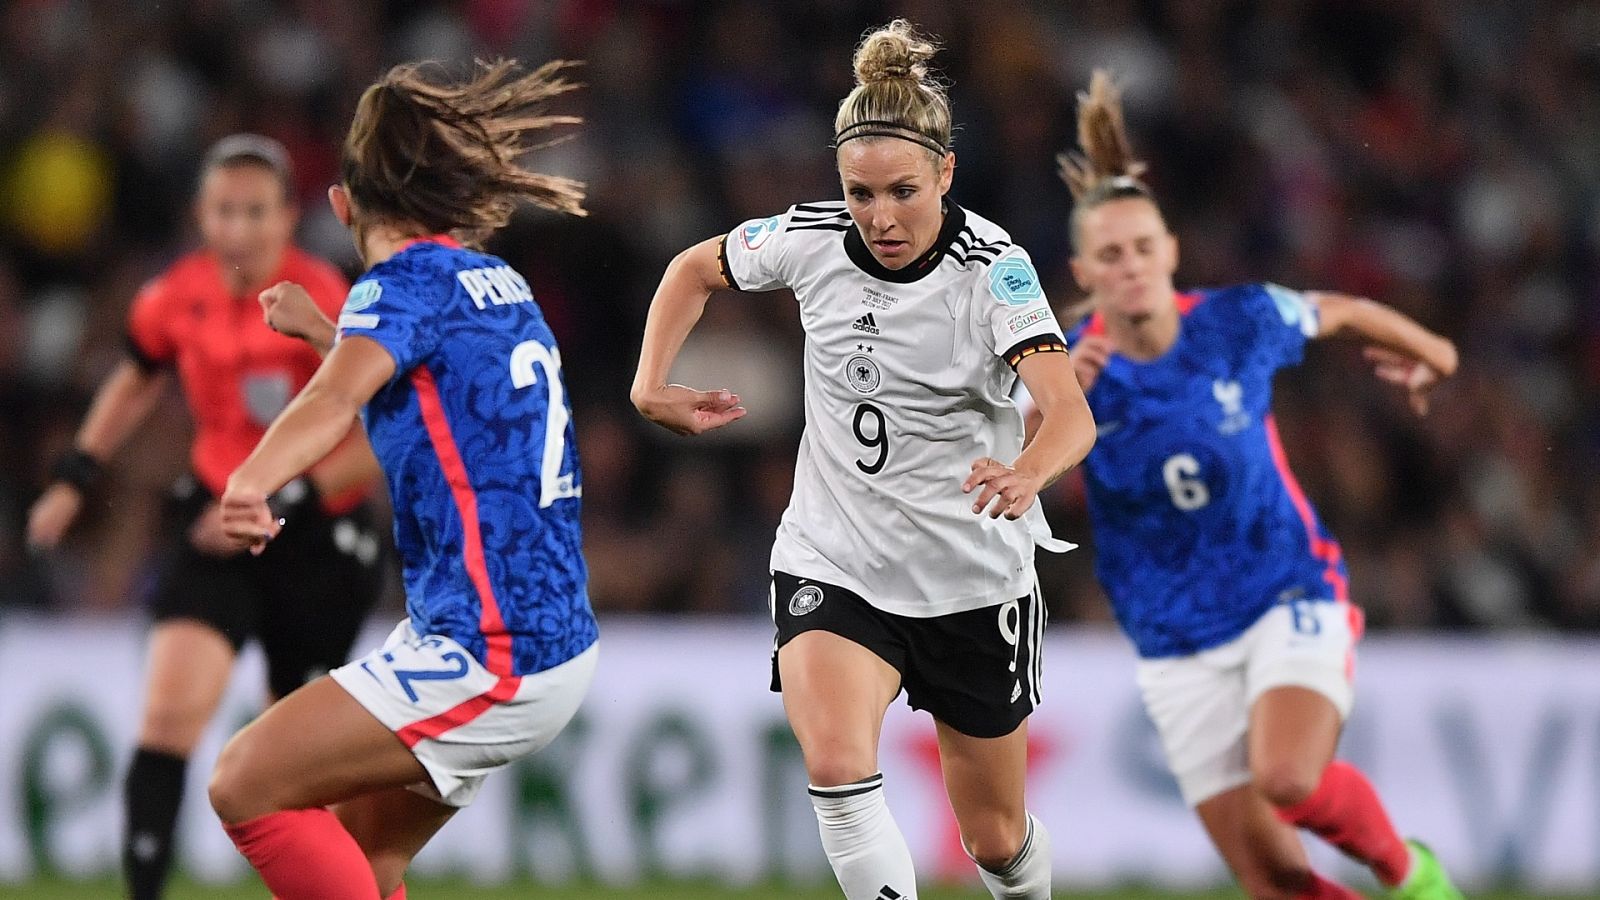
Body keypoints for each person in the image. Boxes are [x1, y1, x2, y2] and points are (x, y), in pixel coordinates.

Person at [632, 20, 1096, 900]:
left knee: (993, 839)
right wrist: (651, 383)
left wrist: (1031, 470)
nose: (881, 216)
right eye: (860, 193)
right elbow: (694, 267)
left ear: (946, 174)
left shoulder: (993, 270)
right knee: (841, 769)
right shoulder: (807, 238)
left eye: (903, 192)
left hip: (970, 580)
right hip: (834, 560)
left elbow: (1070, 413)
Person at [1052, 71, 1463, 900]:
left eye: (1142, 249)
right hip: (1172, 639)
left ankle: (1408, 873)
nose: (1130, 267)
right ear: (1083, 271)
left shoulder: (1237, 322)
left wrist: (1437, 354)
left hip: (1285, 591)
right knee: (1273, 880)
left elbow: (1339, 310)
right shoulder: (1056, 367)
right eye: (1110, 256)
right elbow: (1018, 477)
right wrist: (1061, 405)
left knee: (1288, 778)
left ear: (1170, 252)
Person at [203, 59, 599, 900]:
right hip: (543, 631)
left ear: (342, 208)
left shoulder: (402, 287)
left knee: (243, 782)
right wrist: (326, 330)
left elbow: (339, 395)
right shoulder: (495, 283)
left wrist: (250, 478)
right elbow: (424, 401)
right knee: (361, 853)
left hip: (491, 646)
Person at [24, 134, 385, 900]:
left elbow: (382, 440)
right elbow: (136, 378)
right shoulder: (173, 296)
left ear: (289, 216)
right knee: (166, 721)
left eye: (256, 212)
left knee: (296, 762)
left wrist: (277, 497)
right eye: (225, 211)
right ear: (201, 216)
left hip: (317, 539)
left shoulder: (331, 305)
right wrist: (74, 476)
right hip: (217, 528)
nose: (239, 229)